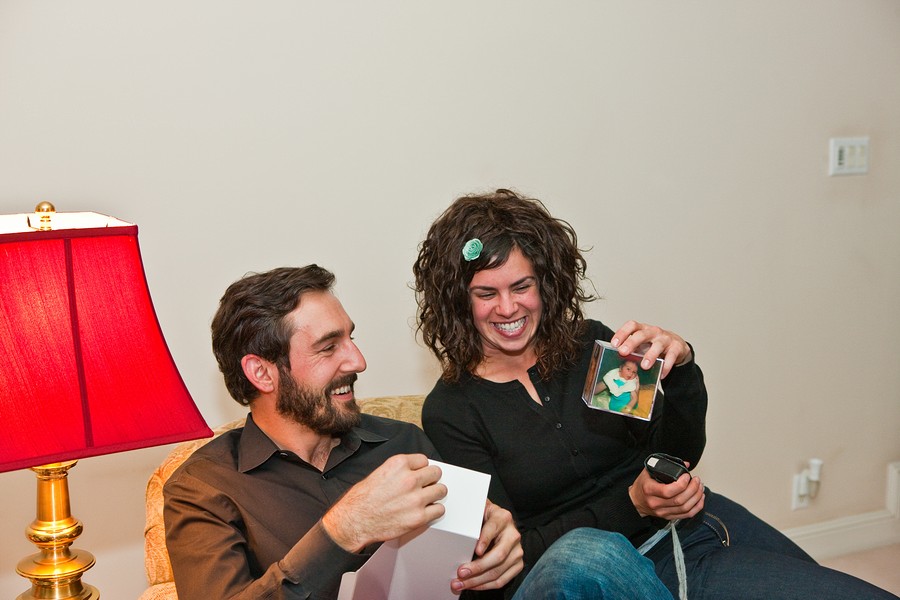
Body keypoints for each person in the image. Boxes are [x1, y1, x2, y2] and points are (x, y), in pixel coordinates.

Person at [412, 189, 899, 600]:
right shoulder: (452, 412)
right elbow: (508, 556)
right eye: (486, 293)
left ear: (546, 282)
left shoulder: (589, 345)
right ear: (459, 301)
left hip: (683, 533)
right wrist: (633, 504)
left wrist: (681, 368)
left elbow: (677, 453)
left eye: (522, 286)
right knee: (585, 554)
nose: (508, 308)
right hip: (576, 574)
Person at [163, 265, 674, 600]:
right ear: (262, 372)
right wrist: (340, 532)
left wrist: (500, 546)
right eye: (328, 347)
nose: (357, 361)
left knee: (586, 554)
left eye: (351, 339)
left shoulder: (403, 444)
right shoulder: (204, 487)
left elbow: (479, 562)